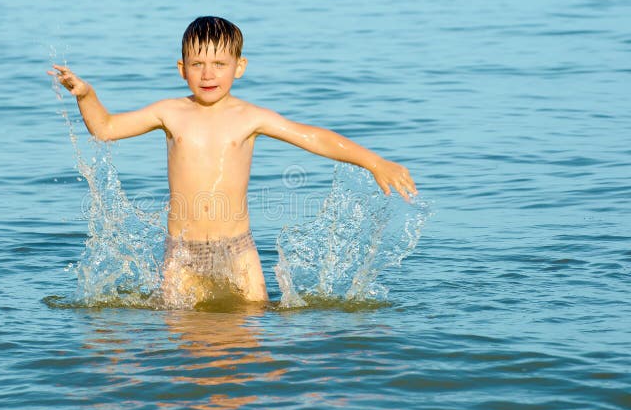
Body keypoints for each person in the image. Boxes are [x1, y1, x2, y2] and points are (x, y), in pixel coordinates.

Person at [49, 16, 417, 305]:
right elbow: (106, 128)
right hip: (181, 251)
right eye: (198, 64)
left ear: (239, 67)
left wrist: (374, 162)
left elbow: (312, 136)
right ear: (182, 68)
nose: (208, 74)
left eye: (219, 63)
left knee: (251, 324)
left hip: (237, 249)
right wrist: (86, 94)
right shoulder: (170, 112)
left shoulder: (249, 117)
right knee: (178, 331)